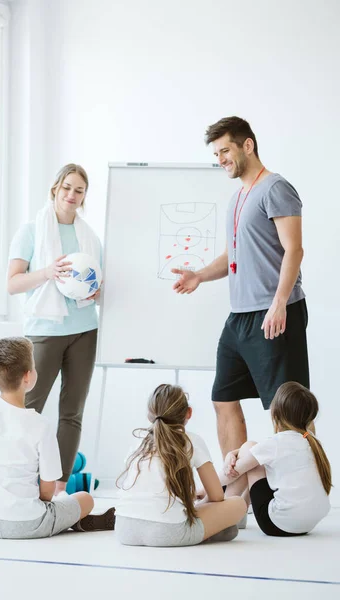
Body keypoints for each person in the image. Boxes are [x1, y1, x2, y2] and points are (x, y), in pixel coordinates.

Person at [172, 116, 309, 459]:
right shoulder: (237, 198)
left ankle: (300, 489)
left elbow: (294, 249)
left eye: (225, 151)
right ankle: (237, 493)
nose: (220, 160)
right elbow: (233, 254)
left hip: (276, 312)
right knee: (222, 397)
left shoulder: (276, 188)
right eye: (216, 154)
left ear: (247, 145)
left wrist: (279, 303)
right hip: (240, 316)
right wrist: (200, 275)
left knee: (288, 411)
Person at [0, 273, 114, 539]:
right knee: (84, 499)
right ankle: (73, 519)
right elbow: (47, 492)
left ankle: (68, 519)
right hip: (28, 524)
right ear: (28, 377)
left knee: (61, 504)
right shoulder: (40, 425)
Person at [8, 164, 102, 496]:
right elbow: (13, 284)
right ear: (55, 189)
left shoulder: (90, 237)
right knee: (30, 407)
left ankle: (58, 490)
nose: (72, 195)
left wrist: (94, 292)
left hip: (84, 329)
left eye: (79, 190)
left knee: (72, 412)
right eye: (67, 188)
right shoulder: (31, 231)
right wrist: (48, 271)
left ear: (84, 196)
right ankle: (19, 480)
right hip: (45, 330)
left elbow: (98, 284)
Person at [115, 384, 246, 547]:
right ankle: (212, 530)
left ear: (150, 415)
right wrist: (203, 503)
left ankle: (212, 530)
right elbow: (217, 496)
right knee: (238, 504)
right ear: (188, 413)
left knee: (205, 517)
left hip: (123, 530)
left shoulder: (138, 442)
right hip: (168, 532)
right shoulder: (192, 440)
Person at [220, 382, 331, 537]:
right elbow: (255, 453)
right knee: (252, 452)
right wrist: (232, 453)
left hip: (277, 525)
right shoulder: (310, 440)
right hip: (308, 524)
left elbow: (234, 472)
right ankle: (237, 514)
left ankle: (226, 517)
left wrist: (204, 490)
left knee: (250, 450)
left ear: (275, 414)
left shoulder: (276, 443)